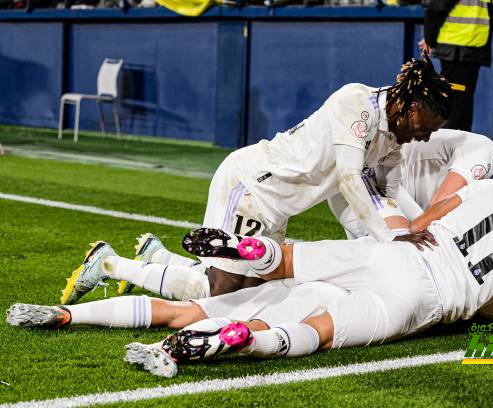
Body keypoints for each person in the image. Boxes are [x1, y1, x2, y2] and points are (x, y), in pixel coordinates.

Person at [7, 184, 493, 378]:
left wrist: (412, 228)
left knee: (286, 264)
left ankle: (252, 249)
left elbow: (440, 207)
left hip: (393, 252)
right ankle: (240, 339)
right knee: (312, 330)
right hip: (424, 299)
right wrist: (480, 329)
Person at [58, 54, 452, 306]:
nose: (425, 135)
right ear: (411, 106)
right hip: (251, 186)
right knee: (218, 294)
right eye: (426, 126)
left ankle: (156, 257)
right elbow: (349, 179)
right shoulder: (357, 104)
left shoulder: (393, 137)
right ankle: (109, 264)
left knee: (252, 293)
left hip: (279, 205)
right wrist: (390, 239)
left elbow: (389, 194)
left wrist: (421, 230)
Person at [329, 129, 493, 238]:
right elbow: (440, 203)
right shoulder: (487, 154)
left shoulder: (488, 181)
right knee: (409, 251)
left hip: (383, 192)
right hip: (371, 180)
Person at [420, 0, 493, 131]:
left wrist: (429, 39)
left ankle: (451, 150)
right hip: (473, 44)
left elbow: (438, 6)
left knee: (454, 114)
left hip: (458, 46)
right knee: (460, 113)